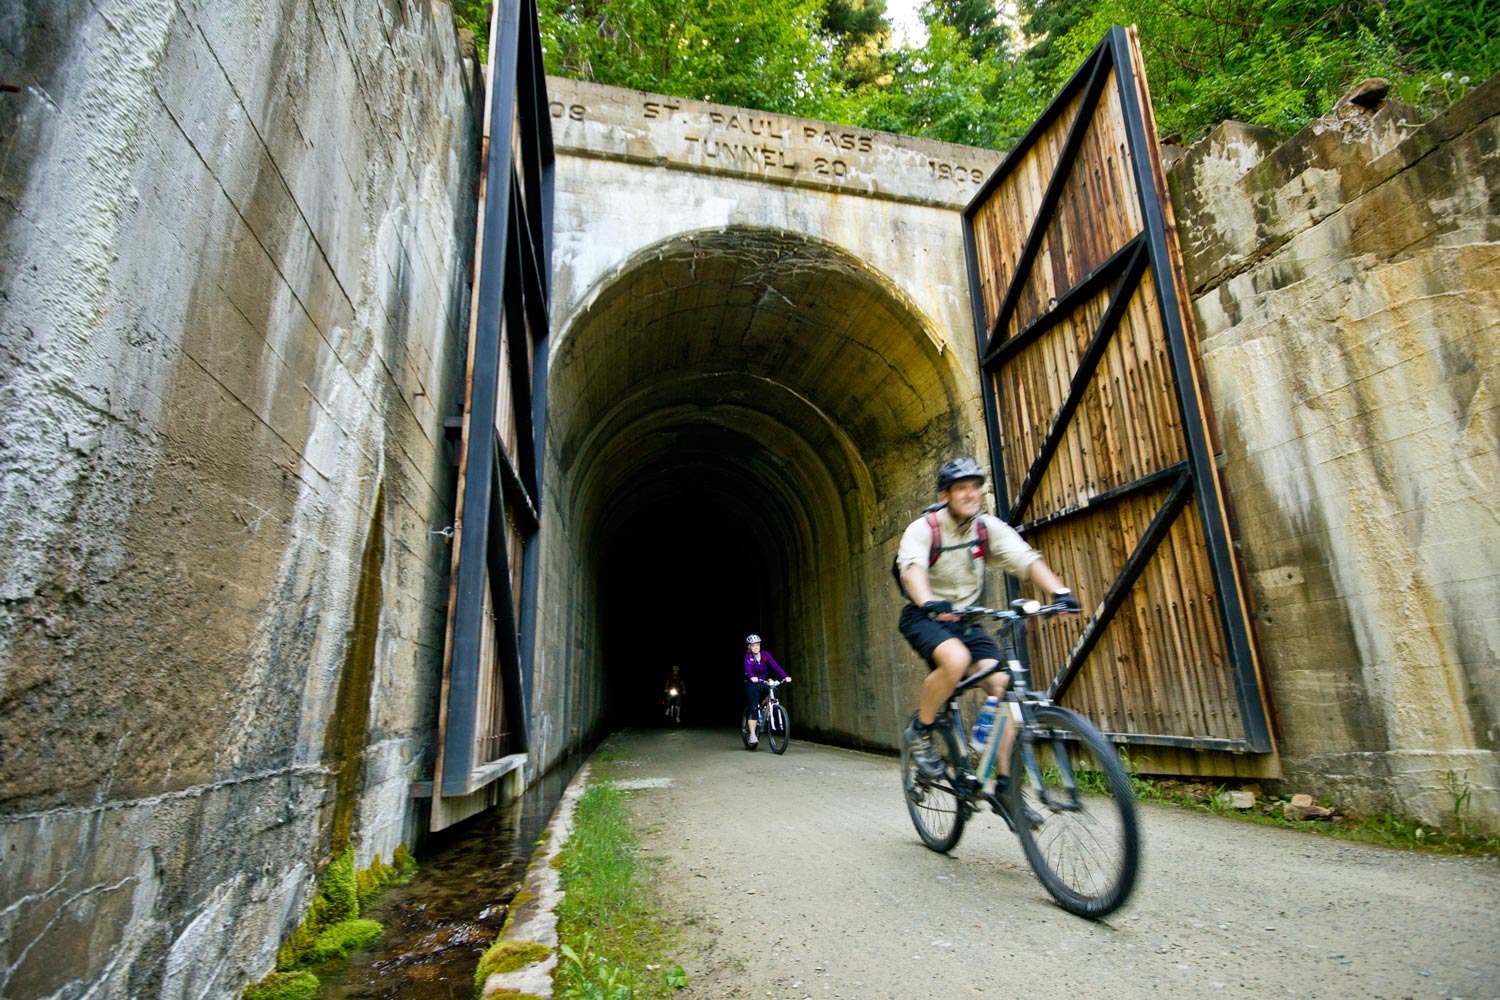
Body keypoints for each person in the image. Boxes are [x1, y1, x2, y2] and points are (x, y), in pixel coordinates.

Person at [897, 456, 1080, 781]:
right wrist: (928, 602)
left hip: (966, 620)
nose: (971, 494)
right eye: (961, 489)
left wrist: (1059, 592)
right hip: (925, 616)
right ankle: (921, 730)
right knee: (956, 660)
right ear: (944, 496)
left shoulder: (987, 528)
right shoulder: (925, 529)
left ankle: (1005, 784)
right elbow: (912, 570)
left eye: (975, 487)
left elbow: (1025, 559)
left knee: (1003, 688)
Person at [742, 634, 789, 747]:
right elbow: (748, 669)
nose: (756, 647)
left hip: (763, 681)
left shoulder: (765, 655)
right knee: (754, 707)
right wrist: (752, 677)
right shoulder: (748, 657)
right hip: (751, 682)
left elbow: (775, 666)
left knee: (774, 690)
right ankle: (752, 735)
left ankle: (764, 708)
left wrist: (785, 676)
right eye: (753, 646)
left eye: (757, 645)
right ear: (749, 647)